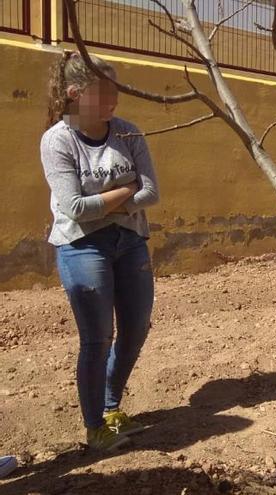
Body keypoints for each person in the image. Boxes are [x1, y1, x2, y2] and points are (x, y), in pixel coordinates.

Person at [40, 52, 160, 451]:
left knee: (136, 330)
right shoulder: (59, 140)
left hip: (130, 243)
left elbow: (153, 192)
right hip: (81, 246)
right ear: (76, 94)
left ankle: (111, 407)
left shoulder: (128, 133)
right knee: (98, 339)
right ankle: (95, 427)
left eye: (116, 91)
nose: (115, 100)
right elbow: (75, 209)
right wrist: (127, 192)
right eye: (106, 92)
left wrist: (109, 202)